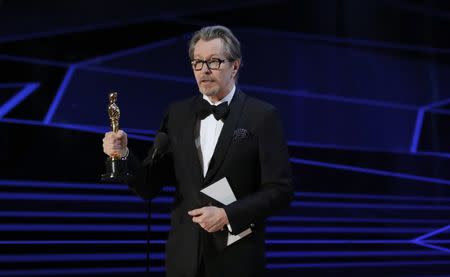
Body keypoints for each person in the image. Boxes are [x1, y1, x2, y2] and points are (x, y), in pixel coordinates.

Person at [103, 25, 294, 277]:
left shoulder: (262, 116)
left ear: (234, 66)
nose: (204, 70)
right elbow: (149, 186)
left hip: (237, 260)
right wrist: (125, 154)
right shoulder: (177, 114)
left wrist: (228, 214)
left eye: (214, 62)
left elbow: (280, 190)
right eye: (197, 62)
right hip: (183, 259)